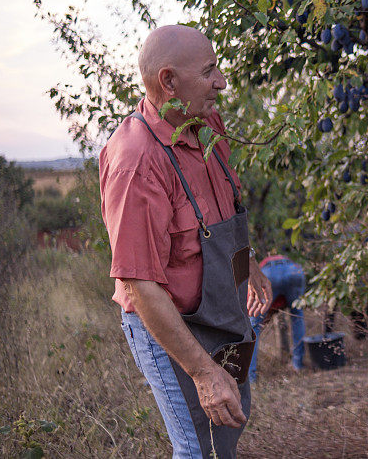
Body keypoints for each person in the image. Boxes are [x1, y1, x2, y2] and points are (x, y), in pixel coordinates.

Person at [99, 25, 272, 459]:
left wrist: (246, 263)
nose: (222, 82)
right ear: (169, 82)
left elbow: (221, 207)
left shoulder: (206, 121)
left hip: (219, 313)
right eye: (209, 71)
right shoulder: (137, 162)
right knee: (195, 448)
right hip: (167, 324)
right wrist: (203, 372)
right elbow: (142, 287)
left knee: (223, 437)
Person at [248, 254, 307, 383]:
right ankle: (297, 364)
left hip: (268, 273)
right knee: (297, 317)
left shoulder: (250, 295)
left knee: (253, 327)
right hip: (293, 270)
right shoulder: (280, 300)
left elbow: (257, 314)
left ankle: (250, 377)